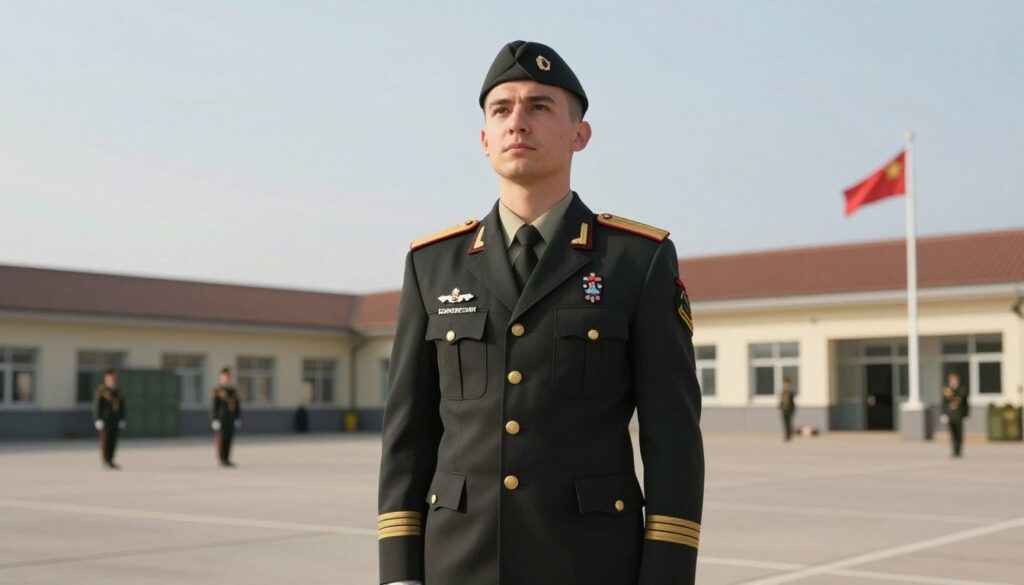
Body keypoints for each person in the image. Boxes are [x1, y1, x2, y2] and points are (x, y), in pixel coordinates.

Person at [378, 40, 704, 585]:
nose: (517, 121)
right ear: (484, 138)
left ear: (580, 134)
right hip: (457, 562)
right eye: (501, 109)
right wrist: (399, 574)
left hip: (591, 564)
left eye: (539, 105)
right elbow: (407, 437)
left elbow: (673, 439)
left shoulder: (635, 261)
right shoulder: (432, 265)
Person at [93, 368, 126, 469]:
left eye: (114, 377)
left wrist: (122, 418)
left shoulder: (118, 390)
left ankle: (111, 460)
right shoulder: (101, 390)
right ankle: (105, 461)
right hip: (105, 420)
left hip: (115, 419)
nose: (113, 379)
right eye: (111, 377)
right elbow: (97, 405)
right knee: (105, 441)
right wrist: (98, 419)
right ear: (106, 378)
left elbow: (122, 406)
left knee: (113, 440)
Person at [210, 367, 242, 467]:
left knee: (229, 438)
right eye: (225, 376)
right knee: (222, 439)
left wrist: (237, 417)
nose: (227, 378)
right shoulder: (217, 390)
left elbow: (237, 405)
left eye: (229, 377)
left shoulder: (232, 390)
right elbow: (214, 406)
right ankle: (222, 458)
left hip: (231, 418)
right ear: (221, 377)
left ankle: (227, 458)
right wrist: (214, 419)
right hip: (221, 419)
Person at [941, 371, 969, 457]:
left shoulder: (962, 389)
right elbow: (944, 402)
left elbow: (965, 404)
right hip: (950, 414)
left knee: (959, 433)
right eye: (951, 378)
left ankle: (958, 450)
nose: (953, 380)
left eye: (954, 378)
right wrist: (943, 414)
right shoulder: (947, 389)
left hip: (959, 415)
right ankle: (954, 450)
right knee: (952, 433)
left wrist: (966, 415)